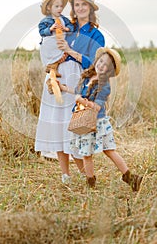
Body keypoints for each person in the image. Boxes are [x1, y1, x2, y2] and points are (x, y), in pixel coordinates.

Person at [35, 0, 105, 183]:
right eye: (77, 4)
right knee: (58, 125)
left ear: (90, 9)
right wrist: (50, 68)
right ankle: (65, 174)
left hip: (77, 81)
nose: (80, 8)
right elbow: (47, 44)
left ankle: (86, 174)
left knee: (72, 127)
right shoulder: (67, 25)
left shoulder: (95, 34)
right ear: (73, 8)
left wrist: (71, 52)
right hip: (59, 77)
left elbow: (96, 63)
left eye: (84, 5)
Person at [58, 47, 143, 191]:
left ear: (109, 71)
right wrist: (65, 89)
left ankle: (130, 177)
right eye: (101, 61)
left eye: (106, 65)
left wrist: (81, 100)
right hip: (84, 118)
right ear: (97, 60)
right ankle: (91, 181)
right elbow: (79, 92)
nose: (101, 65)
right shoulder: (86, 77)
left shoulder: (104, 86)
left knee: (103, 151)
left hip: (96, 122)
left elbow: (96, 107)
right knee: (88, 154)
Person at [38, 0, 74, 79]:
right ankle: (51, 68)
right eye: (56, 6)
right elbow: (41, 31)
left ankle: (53, 69)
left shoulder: (63, 19)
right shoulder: (46, 20)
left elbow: (70, 26)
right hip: (51, 43)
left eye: (61, 6)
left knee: (63, 54)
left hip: (59, 42)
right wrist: (50, 29)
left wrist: (66, 29)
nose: (60, 9)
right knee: (53, 55)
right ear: (49, 8)